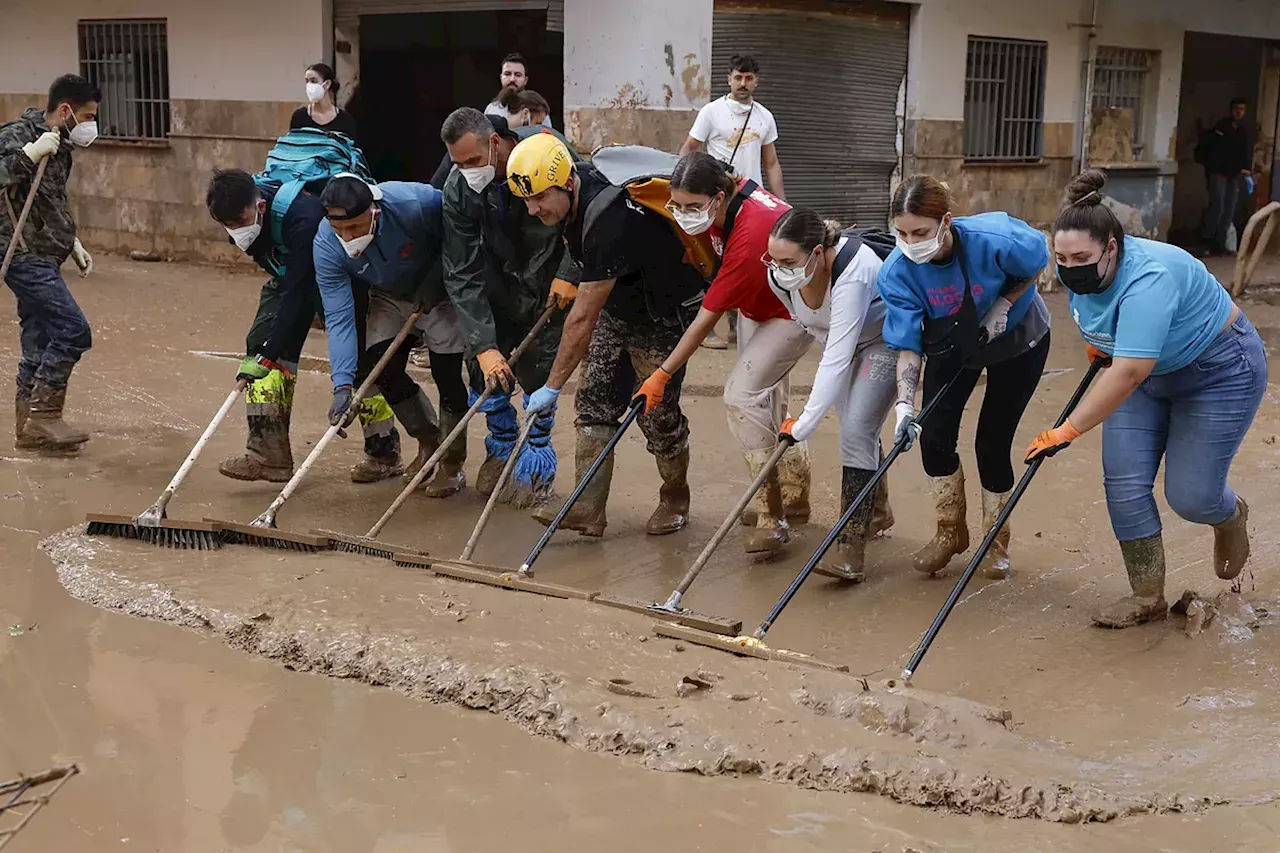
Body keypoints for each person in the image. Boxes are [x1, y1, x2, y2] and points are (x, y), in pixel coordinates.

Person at [1027, 169, 1266, 628]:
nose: (1069, 265)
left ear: (1112, 247)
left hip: (1217, 371)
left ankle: (1229, 515)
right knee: (1123, 482)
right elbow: (1105, 333)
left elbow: (1130, 372)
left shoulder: (1149, 278)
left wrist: (1068, 429)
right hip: (1143, 372)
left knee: (1191, 496)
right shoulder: (1081, 272)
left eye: (1081, 256)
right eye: (1060, 256)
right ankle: (1147, 596)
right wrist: (1100, 343)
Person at [510, 133, 710, 537]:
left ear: (566, 184)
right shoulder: (578, 186)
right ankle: (587, 506)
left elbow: (582, 319)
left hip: (664, 314)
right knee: (594, 403)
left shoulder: (611, 222)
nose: (533, 210)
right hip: (619, 304)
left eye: (539, 199)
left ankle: (676, 497)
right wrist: (569, 272)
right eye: (526, 201)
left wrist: (550, 387)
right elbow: (578, 249)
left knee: (657, 415)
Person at [636, 151, 809, 556]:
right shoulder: (735, 190)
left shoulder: (750, 237)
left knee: (741, 396)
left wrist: (660, 375)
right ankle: (795, 494)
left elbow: (704, 323)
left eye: (693, 207)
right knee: (770, 403)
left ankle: (772, 514)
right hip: (766, 301)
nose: (683, 214)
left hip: (797, 309)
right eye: (677, 205)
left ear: (718, 197)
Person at [881, 175, 1050, 580]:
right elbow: (908, 344)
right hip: (954, 344)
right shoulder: (897, 272)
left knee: (991, 442)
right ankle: (949, 531)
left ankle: (996, 541)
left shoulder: (997, 238)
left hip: (1017, 338)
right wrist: (905, 405)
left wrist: (1005, 304)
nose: (910, 242)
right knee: (934, 437)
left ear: (946, 222)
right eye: (901, 232)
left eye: (920, 232)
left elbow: (1038, 260)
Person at [205, 169, 398, 482]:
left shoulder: (303, 218)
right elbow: (286, 283)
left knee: (357, 361)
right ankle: (268, 454)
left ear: (260, 207)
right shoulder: (235, 213)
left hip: (335, 278)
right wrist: (266, 353)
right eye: (228, 226)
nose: (235, 232)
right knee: (260, 351)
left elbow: (298, 293)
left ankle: (384, 450)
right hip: (288, 277)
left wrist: (273, 349)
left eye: (240, 223)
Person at [439, 109, 581, 505]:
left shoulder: (546, 152)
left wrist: (572, 270)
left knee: (540, 368)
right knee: (483, 365)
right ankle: (501, 449)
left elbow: (585, 209)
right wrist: (484, 347)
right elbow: (460, 269)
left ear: (495, 143)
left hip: (551, 278)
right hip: (498, 279)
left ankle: (537, 457)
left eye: (472, 160)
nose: (467, 170)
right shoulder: (460, 188)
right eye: (457, 163)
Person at [314, 176, 469, 487]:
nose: (347, 239)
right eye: (338, 230)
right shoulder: (326, 247)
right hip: (388, 295)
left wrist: (437, 278)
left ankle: (452, 463)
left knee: (447, 375)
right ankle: (429, 440)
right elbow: (340, 317)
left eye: (355, 228)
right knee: (381, 368)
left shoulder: (417, 204)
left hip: (439, 292)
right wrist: (342, 386)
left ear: (376, 212)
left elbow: (461, 234)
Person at [767, 210, 897, 579]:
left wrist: (804, 422)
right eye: (773, 260)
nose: (779, 269)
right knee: (858, 429)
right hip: (839, 343)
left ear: (820, 252)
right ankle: (877, 511)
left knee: (856, 430)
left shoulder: (854, 271)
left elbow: (838, 356)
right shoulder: (781, 276)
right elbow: (814, 327)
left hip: (884, 341)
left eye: (789, 261)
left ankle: (850, 548)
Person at [0, 74, 100, 452]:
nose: (92, 124)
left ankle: (27, 427)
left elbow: (50, 199)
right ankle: (44, 416)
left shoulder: (62, 147)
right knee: (73, 329)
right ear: (65, 110)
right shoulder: (16, 136)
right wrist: (28, 155)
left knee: (38, 336)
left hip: (45, 251)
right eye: (88, 115)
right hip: (20, 252)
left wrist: (70, 240)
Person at [680, 54, 781, 349]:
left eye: (749, 78)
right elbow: (689, 149)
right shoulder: (712, 112)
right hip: (716, 201)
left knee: (743, 260)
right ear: (728, 79)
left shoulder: (764, 116)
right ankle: (707, 328)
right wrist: (684, 189)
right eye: (738, 77)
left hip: (749, 202)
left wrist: (780, 204)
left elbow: (772, 162)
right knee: (710, 261)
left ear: (756, 81)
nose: (743, 83)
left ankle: (738, 325)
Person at [1198, 98, 1252, 256]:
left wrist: (1246, 169)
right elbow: (1214, 150)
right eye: (1237, 109)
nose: (1239, 112)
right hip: (1219, 173)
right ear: (1231, 110)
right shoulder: (1222, 127)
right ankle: (1206, 242)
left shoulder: (1241, 130)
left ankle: (1220, 244)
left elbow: (1243, 152)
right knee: (1217, 207)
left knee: (1229, 209)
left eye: (1242, 109)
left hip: (1233, 175)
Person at [483, 53, 552, 129]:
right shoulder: (492, 109)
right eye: (507, 74)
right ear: (501, 77)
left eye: (518, 75)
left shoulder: (538, 110)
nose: (512, 79)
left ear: (525, 80)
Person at [290, 63, 358, 139]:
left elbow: (350, 149)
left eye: (313, 81)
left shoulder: (345, 120)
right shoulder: (299, 116)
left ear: (327, 84)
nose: (309, 85)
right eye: (307, 81)